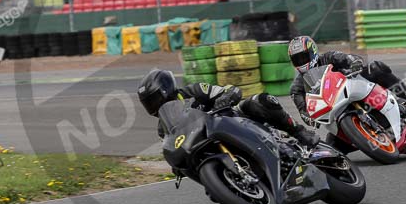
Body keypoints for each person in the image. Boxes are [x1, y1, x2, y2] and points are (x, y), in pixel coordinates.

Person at [137, 69, 320, 150]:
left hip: (234, 122)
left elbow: (229, 90)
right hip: (207, 145)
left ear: (166, 89)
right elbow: (174, 146)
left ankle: (299, 132)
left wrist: (224, 100)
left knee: (260, 101)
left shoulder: (194, 91)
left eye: (154, 99)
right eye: (149, 103)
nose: (153, 105)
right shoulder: (163, 128)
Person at [287, 36, 406, 125]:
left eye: (304, 57)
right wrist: (307, 117)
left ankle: (405, 93)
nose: (301, 62)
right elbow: (303, 109)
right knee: (332, 146)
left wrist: (353, 62)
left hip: (354, 86)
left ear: (313, 51)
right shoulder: (297, 87)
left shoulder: (328, 57)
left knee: (376, 67)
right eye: (297, 60)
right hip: (335, 110)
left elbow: (346, 58)